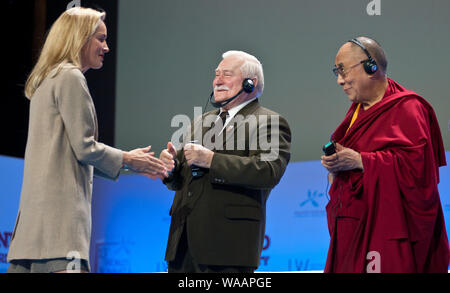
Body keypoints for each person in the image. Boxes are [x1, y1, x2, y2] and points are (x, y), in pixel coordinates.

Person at [7, 7, 168, 273]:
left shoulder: (47, 78)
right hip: (60, 231)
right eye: (100, 38)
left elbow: (69, 154)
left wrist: (131, 165)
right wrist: (129, 159)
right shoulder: (70, 77)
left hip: (31, 234)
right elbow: (84, 147)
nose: (106, 47)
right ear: (79, 37)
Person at [321, 36, 449, 273]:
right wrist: (336, 169)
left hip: (388, 229)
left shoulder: (408, 108)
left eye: (343, 71)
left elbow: (420, 174)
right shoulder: (356, 113)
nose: (340, 81)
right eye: (335, 73)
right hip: (352, 227)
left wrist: (361, 160)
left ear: (371, 67)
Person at [159, 50, 291, 273]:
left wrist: (212, 160)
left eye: (226, 74)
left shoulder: (269, 121)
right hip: (182, 247)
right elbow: (179, 181)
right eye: (216, 74)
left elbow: (269, 170)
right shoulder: (200, 121)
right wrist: (170, 168)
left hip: (228, 248)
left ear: (251, 83)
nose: (217, 80)